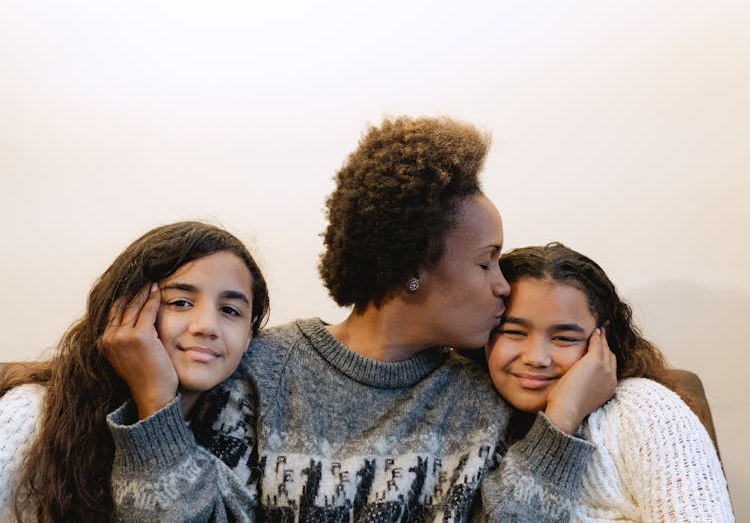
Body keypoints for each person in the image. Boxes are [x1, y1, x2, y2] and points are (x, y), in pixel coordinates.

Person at [105, 116, 617, 522]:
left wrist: (562, 423)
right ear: (414, 266)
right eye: (485, 262)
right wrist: (155, 408)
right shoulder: (263, 370)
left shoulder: (480, 395)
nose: (503, 285)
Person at [0, 221, 269, 523]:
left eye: (230, 310)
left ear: (248, 337)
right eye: (180, 303)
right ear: (125, 312)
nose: (207, 326)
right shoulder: (32, 415)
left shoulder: (243, 439)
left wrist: (155, 403)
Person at [486, 242, 734, 521]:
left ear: (600, 340)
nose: (536, 358)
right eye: (514, 332)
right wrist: (559, 420)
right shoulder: (471, 420)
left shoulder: (646, 411)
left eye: (564, 338)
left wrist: (566, 412)